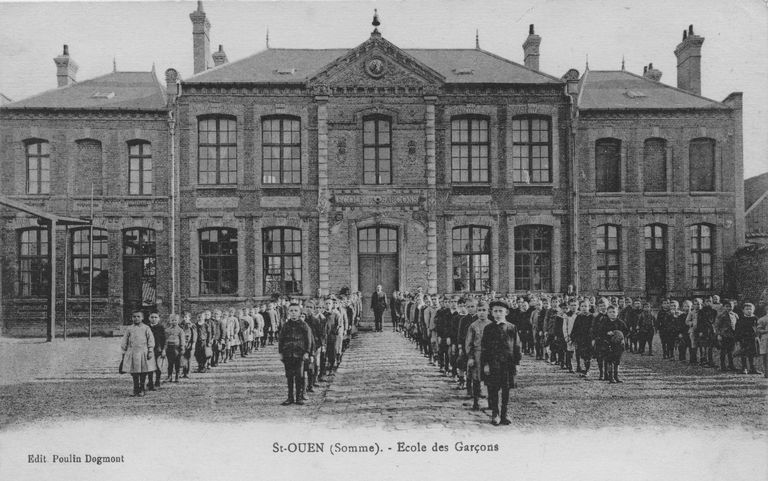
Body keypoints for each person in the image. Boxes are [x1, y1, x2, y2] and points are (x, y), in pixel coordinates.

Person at [480, 300, 521, 426]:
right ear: (491, 313)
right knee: (493, 389)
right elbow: (484, 347)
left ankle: (504, 414)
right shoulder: (489, 328)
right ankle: (495, 413)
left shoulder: (511, 327)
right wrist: (486, 364)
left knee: (506, 389)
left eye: (500, 311)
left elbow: (517, 346)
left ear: (506, 312)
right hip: (493, 364)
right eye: (495, 311)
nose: (498, 314)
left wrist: (517, 363)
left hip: (508, 364)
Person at [278, 302, 312, 406]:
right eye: (291, 311)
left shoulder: (303, 325)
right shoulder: (286, 325)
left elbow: (308, 340)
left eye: (296, 311)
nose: (293, 313)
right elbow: (281, 339)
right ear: (288, 312)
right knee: (289, 376)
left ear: (299, 312)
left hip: (299, 354)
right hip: (288, 354)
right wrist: (281, 353)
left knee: (299, 376)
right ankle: (290, 397)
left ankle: (299, 397)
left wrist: (307, 352)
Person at [121, 311, 156, 397]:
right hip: (132, 352)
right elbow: (125, 340)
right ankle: (135, 389)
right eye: (134, 316)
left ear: (142, 318)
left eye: (138, 316)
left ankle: (142, 388)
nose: (136, 318)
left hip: (143, 351)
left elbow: (150, 340)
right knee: (134, 372)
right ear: (132, 318)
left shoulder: (146, 328)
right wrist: (124, 351)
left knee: (143, 371)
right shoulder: (129, 328)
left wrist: (150, 350)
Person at [466, 300, 492, 411]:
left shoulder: (492, 325)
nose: (481, 313)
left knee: (490, 380)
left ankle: (491, 403)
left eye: (484, 310)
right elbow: (469, 343)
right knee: (476, 379)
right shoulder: (473, 326)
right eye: (479, 310)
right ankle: (476, 402)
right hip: (477, 355)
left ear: (488, 311)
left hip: (490, 356)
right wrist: (471, 357)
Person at [734, 303, 760, 374]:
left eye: (750, 309)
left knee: (752, 353)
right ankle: (744, 368)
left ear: (753, 310)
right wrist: (737, 339)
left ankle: (752, 368)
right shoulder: (741, 319)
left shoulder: (755, 318)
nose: (749, 311)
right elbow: (737, 329)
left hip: (752, 338)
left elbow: (758, 328)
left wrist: (757, 336)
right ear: (743, 310)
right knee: (744, 353)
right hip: (744, 338)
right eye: (747, 309)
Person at [572, 300, 594, 376]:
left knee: (587, 355)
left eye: (585, 306)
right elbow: (574, 328)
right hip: (579, 338)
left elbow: (593, 328)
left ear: (589, 307)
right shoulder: (578, 317)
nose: (584, 308)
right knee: (580, 353)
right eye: (582, 306)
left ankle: (587, 369)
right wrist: (573, 337)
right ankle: (580, 367)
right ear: (580, 307)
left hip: (588, 338)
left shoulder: (591, 317)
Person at [715, 300, 738, 372]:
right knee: (723, 351)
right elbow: (717, 326)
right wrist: (719, 335)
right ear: (724, 307)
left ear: (733, 307)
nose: (728, 308)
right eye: (727, 306)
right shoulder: (721, 315)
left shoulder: (735, 315)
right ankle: (722, 366)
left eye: (730, 306)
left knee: (730, 351)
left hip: (732, 335)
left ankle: (731, 365)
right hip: (724, 335)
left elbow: (737, 324)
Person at [147, 312, 166, 390]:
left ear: (158, 319)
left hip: (158, 349)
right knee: (149, 367)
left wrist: (163, 350)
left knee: (158, 366)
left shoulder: (161, 328)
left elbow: (164, 340)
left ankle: (157, 382)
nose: (153, 319)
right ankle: (150, 382)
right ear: (149, 318)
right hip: (149, 350)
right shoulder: (147, 327)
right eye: (152, 317)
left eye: (155, 317)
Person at [164, 314, 185, 383]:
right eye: (172, 320)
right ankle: (169, 376)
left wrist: (182, 348)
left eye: (175, 320)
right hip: (169, 348)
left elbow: (182, 340)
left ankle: (177, 376)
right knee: (170, 363)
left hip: (177, 348)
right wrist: (164, 349)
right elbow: (165, 340)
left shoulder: (180, 330)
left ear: (178, 321)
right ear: (170, 321)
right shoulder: (167, 330)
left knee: (177, 363)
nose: (174, 322)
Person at [180, 313, 196, 378]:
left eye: (186, 317)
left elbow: (194, 335)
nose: (185, 318)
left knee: (189, 358)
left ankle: (188, 372)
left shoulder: (192, 326)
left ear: (189, 318)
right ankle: (184, 372)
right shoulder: (181, 325)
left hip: (190, 343)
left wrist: (193, 343)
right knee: (183, 358)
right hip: (183, 344)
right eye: (184, 317)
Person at [756, 310, 768, 378]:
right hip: (766, 339)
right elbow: (758, 329)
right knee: (766, 356)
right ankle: (766, 372)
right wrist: (766, 331)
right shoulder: (763, 319)